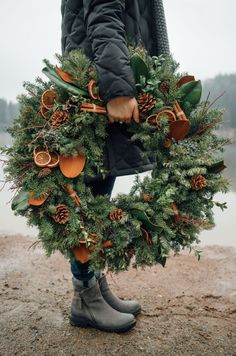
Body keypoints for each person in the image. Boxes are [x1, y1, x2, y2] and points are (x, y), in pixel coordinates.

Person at [61, 0, 170, 332]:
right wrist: (118, 89)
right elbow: (104, 14)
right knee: (88, 194)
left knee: (98, 191)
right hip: (100, 81)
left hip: (103, 74)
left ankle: (96, 287)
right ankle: (85, 299)